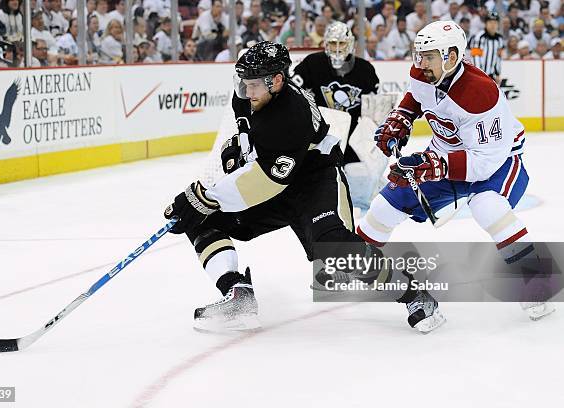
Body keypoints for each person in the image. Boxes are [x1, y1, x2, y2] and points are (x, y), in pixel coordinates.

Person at [163, 41, 444, 333]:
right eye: (243, 83)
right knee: (203, 221)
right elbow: (242, 111)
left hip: (314, 180)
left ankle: (415, 295)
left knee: (333, 248)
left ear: (278, 81)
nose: (247, 91)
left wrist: (203, 197)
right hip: (279, 180)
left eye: (254, 85)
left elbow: (264, 182)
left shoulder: (290, 115)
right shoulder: (256, 92)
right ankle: (238, 296)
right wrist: (243, 139)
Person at [362, 21, 555, 321]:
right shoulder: (423, 73)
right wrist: (404, 117)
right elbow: (417, 95)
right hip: (445, 155)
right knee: (384, 206)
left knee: (487, 206)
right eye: (419, 55)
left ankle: (536, 279)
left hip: (499, 160)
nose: (420, 63)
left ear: (452, 57)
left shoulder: (480, 93)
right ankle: (355, 264)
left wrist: (435, 167)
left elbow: (484, 161)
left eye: (429, 56)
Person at [291, 21, 384, 213]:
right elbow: (292, 92)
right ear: (326, 44)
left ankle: (358, 200)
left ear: (350, 44)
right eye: (333, 43)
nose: (337, 48)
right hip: (321, 135)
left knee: (360, 174)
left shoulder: (365, 70)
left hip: (352, 137)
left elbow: (375, 108)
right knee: (318, 178)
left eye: (342, 43)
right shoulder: (312, 64)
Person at [468, 12, 505, 84]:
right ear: (486, 24)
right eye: (490, 22)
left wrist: (497, 73)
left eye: (495, 22)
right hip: (478, 75)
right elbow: (475, 57)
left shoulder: (499, 39)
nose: (493, 25)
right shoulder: (479, 37)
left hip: (491, 76)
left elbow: (498, 58)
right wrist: (479, 74)